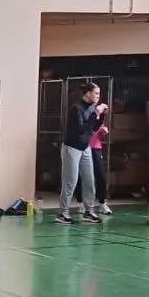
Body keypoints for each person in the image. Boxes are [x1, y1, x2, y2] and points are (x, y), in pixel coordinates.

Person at [57, 82, 107, 225]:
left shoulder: (91, 108)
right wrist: (95, 114)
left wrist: (101, 115)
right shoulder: (76, 108)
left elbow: (94, 127)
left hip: (85, 147)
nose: (98, 96)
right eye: (96, 93)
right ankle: (63, 213)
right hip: (72, 147)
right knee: (70, 181)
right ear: (88, 93)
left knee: (89, 179)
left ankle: (88, 211)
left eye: (99, 93)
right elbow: (80, 129)